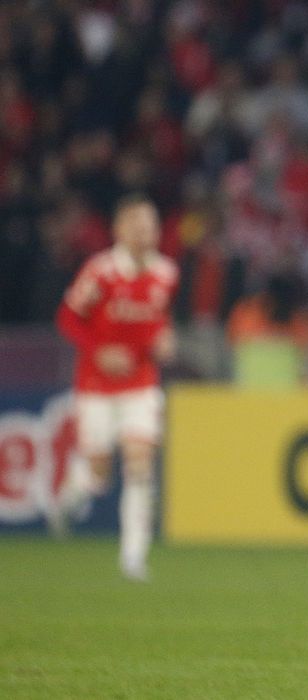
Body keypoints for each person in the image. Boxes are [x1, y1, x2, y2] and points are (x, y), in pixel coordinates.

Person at [51, 193, 179, 582]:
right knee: (100, 475)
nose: (146, 233)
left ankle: (133, 557)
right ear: (120, 230)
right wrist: (99, 350)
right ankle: (74, 487)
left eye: (151, 226)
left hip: (141, 383)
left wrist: (165, 338)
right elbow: (68, 318)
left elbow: (156, 319)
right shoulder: (101, 272)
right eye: (138, 226)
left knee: (140, 465)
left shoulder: (166, 272)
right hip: (96, 385)